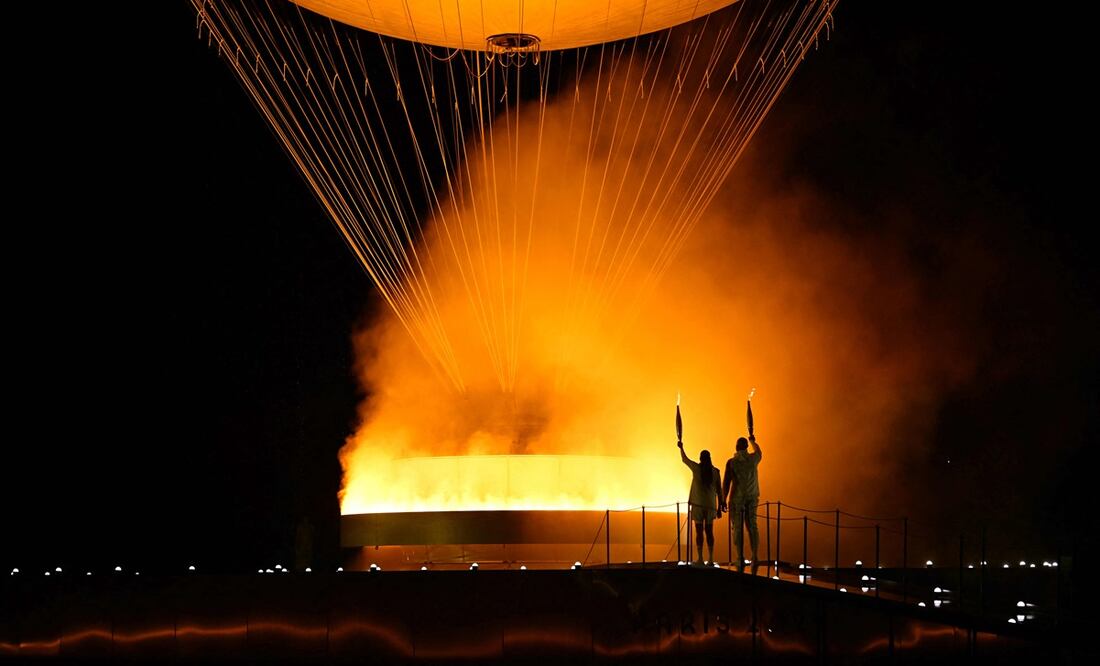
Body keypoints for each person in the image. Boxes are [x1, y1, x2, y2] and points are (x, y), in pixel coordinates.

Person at [723, 435, 763, 573]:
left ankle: (740, 557)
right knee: (752, 526)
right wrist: (753, 440)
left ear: (736, 447)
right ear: (746, 446)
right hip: (752, 496)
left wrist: (723, 499)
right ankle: (755, 556)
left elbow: (726, 482)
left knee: (737, 528)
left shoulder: (732, 462)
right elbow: (759, 451)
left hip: (737, 499)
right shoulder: (753, 459)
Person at [678, 441, 723, 565]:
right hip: (711, 506)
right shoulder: (716, 472)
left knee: (699, 532)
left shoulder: (697, 468)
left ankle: (701, 558)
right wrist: (720, 507)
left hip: (698, 505)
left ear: (700, 459)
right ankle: (711, 558)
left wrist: (681, 447)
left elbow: (684, 459)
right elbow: (719, 491)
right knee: (709, 531)